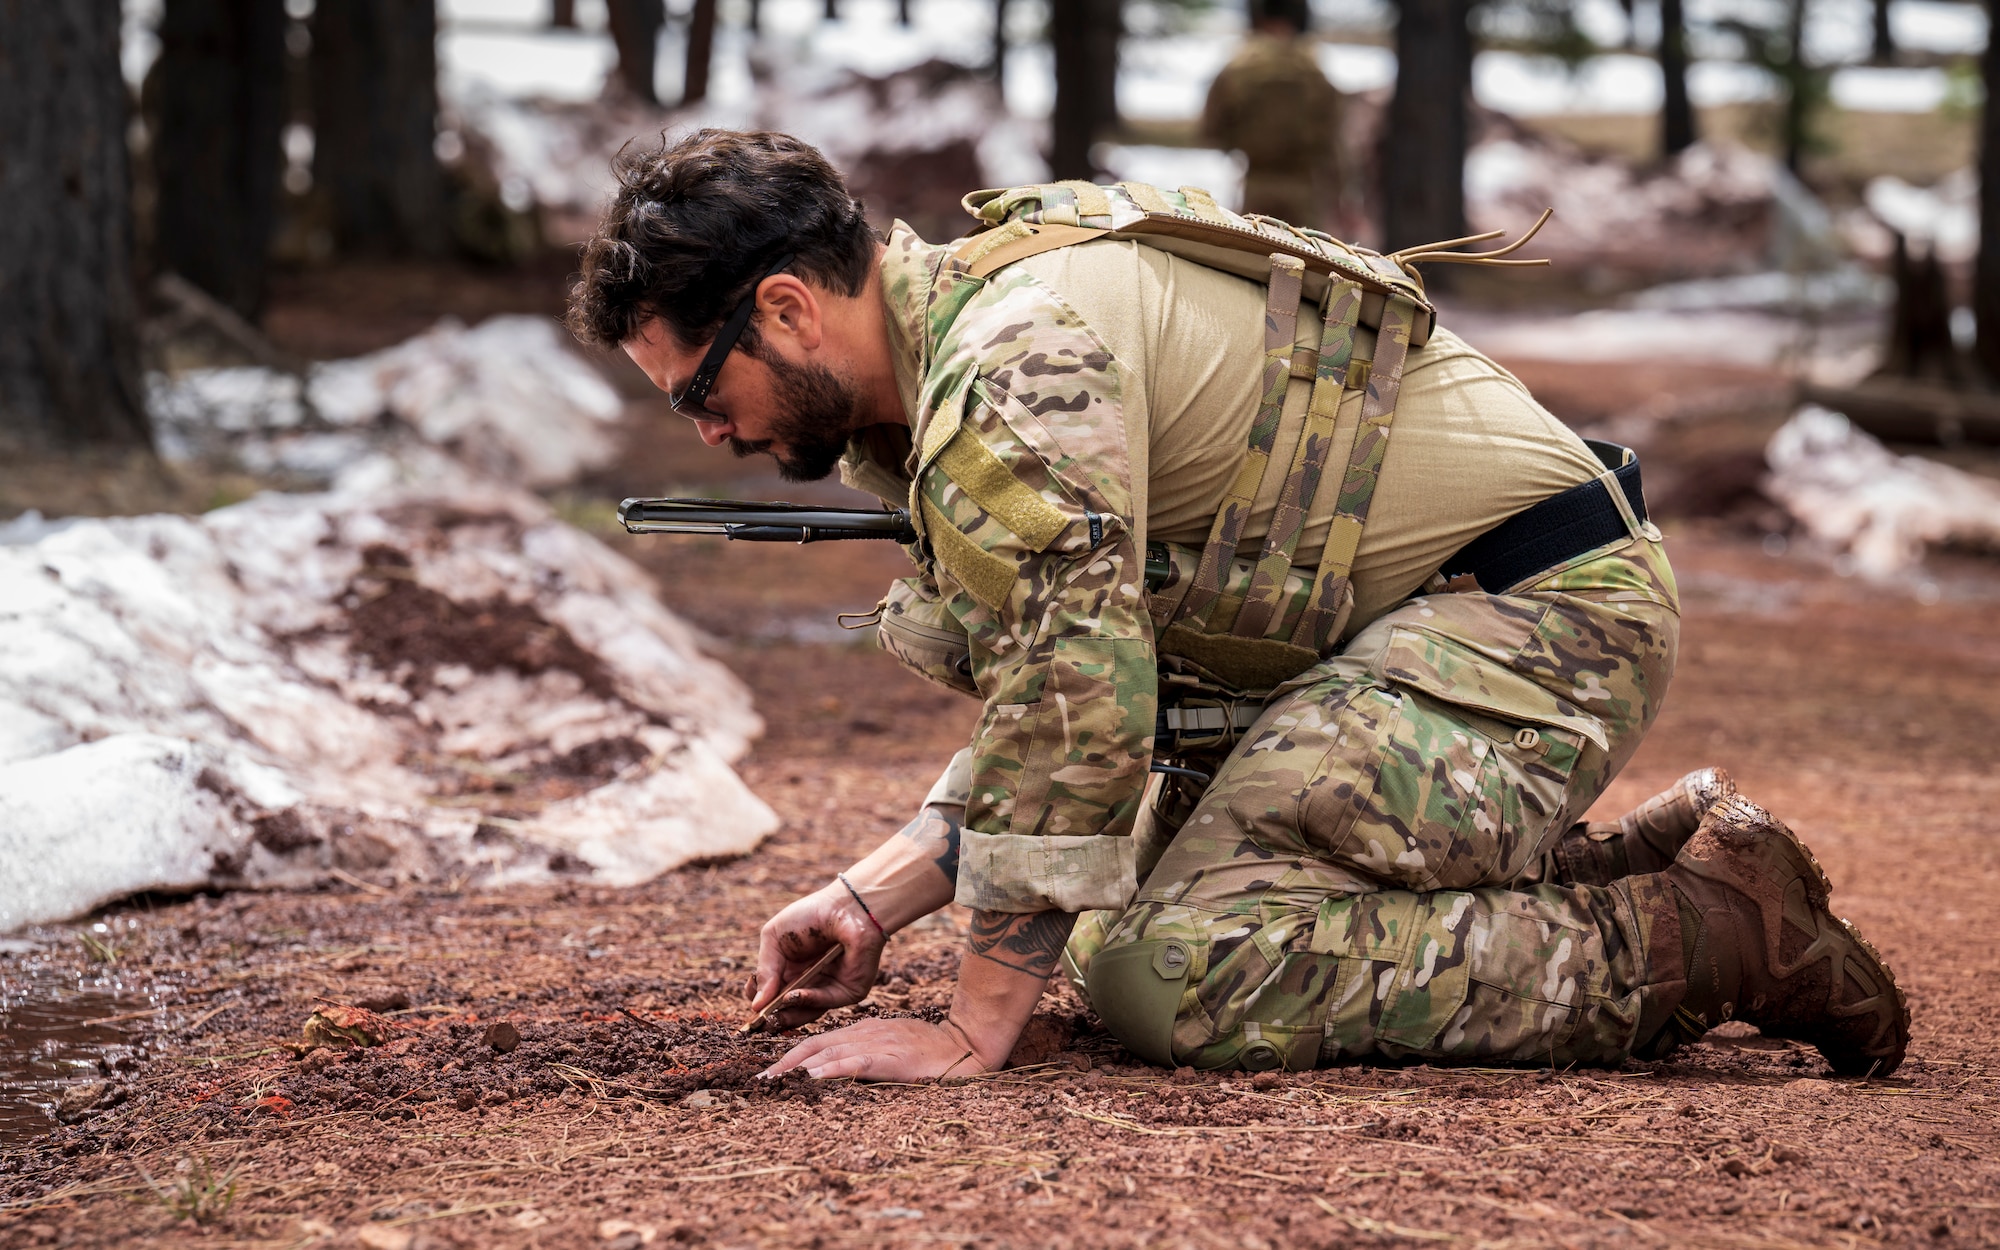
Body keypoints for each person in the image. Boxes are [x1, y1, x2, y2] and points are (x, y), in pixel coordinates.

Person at [565, 129, 1909, 1082]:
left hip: (1539, 617)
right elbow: (1080, 672)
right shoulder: (966, 332)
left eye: (697, 390)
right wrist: (874, 899)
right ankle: (1650, 863)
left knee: (1181, 972)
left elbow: (1077, 695)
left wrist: (972, 1028)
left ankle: (1724, 935)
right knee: (1095, 943)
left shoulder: (1010, 368)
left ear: (789, 308)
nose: (704, 435)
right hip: (1407, 631)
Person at [1201, 0, 1342, 231]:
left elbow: (1211, 127)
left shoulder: (1240, 66)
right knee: (1307, 257)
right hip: (1304, 187)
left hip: (1257, 180)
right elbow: (1333, 132)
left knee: (1250, 255)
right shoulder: (1314, 69)